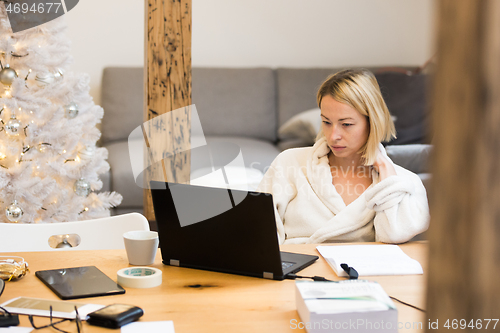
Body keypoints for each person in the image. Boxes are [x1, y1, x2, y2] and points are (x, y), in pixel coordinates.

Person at [257, 69, 429, 244]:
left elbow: (394, 236)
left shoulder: (406, 184)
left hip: (360, 271)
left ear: (372, 122)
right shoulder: (289, 163)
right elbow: (257, 234)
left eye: (346, 124)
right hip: (296, 269)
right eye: (326, 122)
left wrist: (385, 172)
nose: (333, 136)